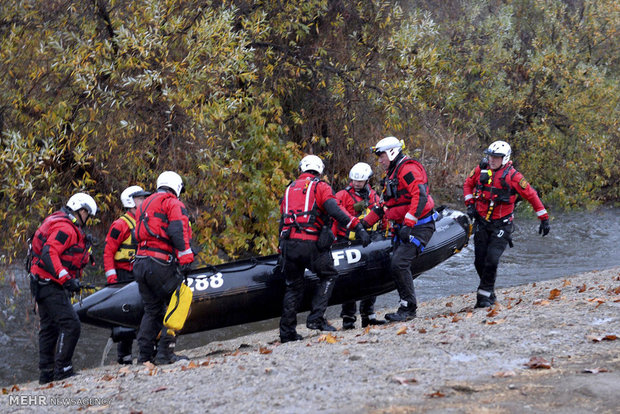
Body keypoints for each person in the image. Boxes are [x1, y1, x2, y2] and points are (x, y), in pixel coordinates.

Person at [278, 155, 372, 343]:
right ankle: (316, 318)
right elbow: (335, 210)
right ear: (319, 170)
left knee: (293, 287)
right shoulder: (320, 187)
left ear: (301, 168)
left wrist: (281, 250)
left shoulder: (289, 189)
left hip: (289, 246)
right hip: (310, 244)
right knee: (329, 275)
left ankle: (287, 332)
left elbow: (282, 221)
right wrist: (358, 227)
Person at [463, 140, 550, 308]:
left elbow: (531, 195)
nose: (492, 160)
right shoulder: (480, 170)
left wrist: (544, 218)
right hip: (482, 222)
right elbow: (468, 184)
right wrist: (470, 204)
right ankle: (490, 293)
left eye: (496, 157)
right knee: (479, 261)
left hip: (502, 225)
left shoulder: (513, 177)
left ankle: (483, 296)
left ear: (505, 158)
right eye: (490, 156)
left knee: (492, 259)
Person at [363, 136, 437, 322]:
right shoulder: (393, 172)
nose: (380, 161)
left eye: (382, 156)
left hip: (420, 226)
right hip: (403, 226)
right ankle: (405, 305)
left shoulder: (408, 169)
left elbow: (419, 197)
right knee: (395, 264)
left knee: (399, 263)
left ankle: (408, 308)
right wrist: (363, 224)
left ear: (392, 152)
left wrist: (409, 224)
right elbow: (384, 205)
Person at [28, 192, 97, 384]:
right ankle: (62, 369)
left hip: (41, 282)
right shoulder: (66, 229)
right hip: (50, 284)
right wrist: (65, 278)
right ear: (81, 210)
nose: (87, 221)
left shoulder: (61, 222)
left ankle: (46, 373)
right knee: (71, 324)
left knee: (49, 328)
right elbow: (50, 252)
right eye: (88, 216)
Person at [134, 171, 194, 365]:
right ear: (176, 187)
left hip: (140, 263)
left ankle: (144, 356)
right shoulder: (172, 203)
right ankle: (166, 352)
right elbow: (177, 231)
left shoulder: (143, 204)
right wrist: (186, 259)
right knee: (182, 296)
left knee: (152, 309)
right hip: (157, 262)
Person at [334, 162, 387, 330]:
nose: (356, 183)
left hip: (370, 241)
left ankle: (368, 315)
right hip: (348, 242)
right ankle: (348, 318)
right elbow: (336, 216)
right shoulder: (342, 195)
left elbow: (382, 214)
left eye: (360, 181)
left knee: (373, 277)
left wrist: (386, 231)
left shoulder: (374, 196)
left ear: (367, 180)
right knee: (348, 280)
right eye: (354, 180)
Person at [103, 185, 150, 364]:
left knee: (146, 312)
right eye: (140, 198)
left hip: (140, 273)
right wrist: (112, 279)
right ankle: (124, 356)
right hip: (123, 275)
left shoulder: (145, 220)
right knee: (125, 315)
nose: (144, 201)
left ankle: (146, 350)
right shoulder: (120, 225)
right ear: (131, 201)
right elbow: (108, 252)